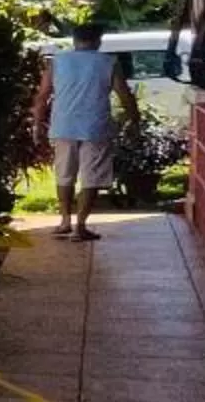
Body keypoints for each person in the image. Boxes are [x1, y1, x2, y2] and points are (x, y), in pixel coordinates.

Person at [33, 22, 141, 240]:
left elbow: (42, 96)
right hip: (95, 127)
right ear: (98, 41)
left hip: (63, 125)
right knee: (92, 177)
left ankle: (64, 221)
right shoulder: (109, 63)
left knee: (64, 174)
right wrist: (134, 120)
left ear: (74, 40)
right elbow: (124, 95)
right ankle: (80, 226)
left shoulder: (57, 63)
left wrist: (37, 124)